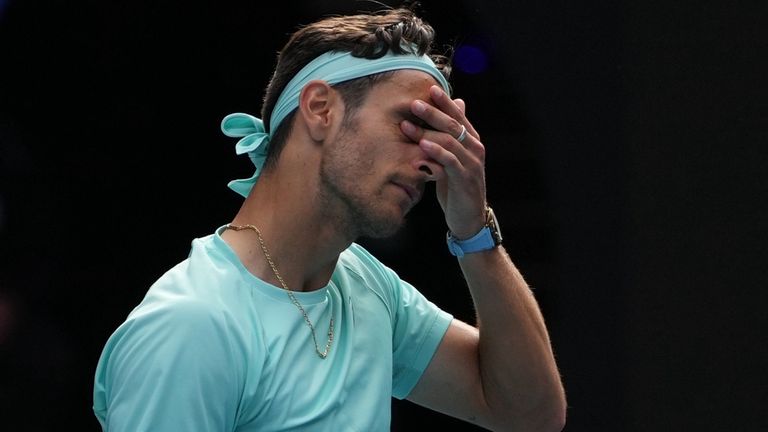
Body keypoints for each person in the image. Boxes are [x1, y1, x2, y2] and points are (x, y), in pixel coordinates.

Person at [92, 4, 566, 431]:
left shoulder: (368, 286)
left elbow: (529, 414)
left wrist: (474, 231)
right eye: (410, 125)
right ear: (320, 109)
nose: (430, 160)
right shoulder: (192, 326)